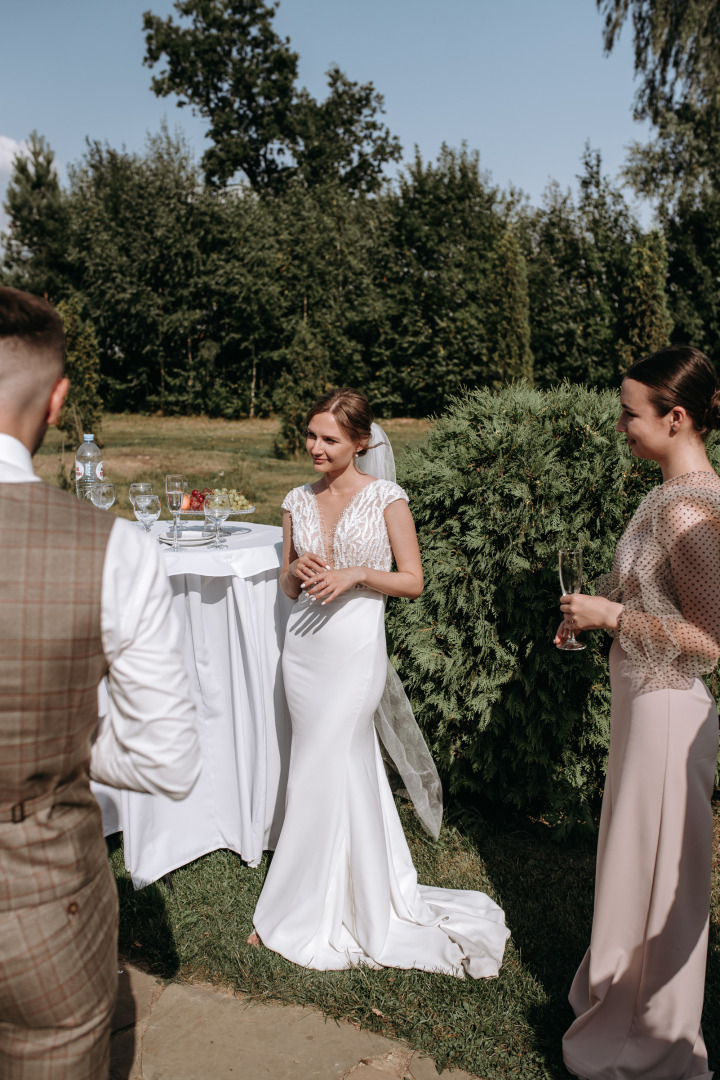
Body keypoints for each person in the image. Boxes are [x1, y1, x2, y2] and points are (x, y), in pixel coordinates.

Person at [0, 286, 200, 1080]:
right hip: (38, 900)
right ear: (56, 402)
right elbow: (166, 763)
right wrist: (63, 737)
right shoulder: (113, 548)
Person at [250, 387, 509, 978]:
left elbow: (413, 581)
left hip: (355, 653)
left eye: (329, 439)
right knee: (329, 767)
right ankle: (347, 886)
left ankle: (295, 908)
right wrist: (293, 570)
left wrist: (360, 575)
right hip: (305, 652)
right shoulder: (295, 500)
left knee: (324, 762)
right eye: (311, 435)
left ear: (360, 443)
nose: (315, 447)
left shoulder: (387, 497)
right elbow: (287, 588)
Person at [556, 345, 720, 1080]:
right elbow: (662, 600)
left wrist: (612, 617)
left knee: (655, 881)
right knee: (630, 870)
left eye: (630, 411)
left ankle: (648, 1044)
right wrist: (597, 614)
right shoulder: (668, 492)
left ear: (676, 416)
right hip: (641, 705)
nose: (619, 424)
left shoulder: (688, 507)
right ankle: (616, 1001)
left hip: (666, 712)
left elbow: (711, 642)